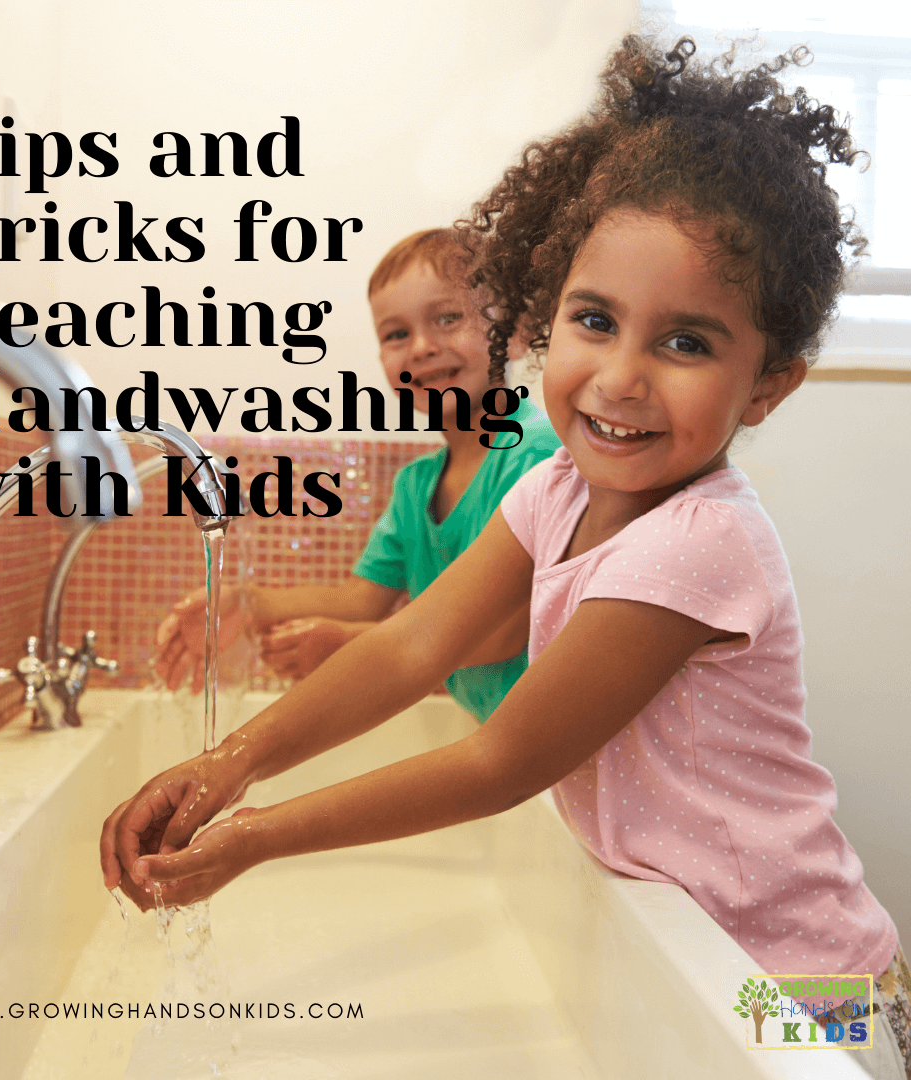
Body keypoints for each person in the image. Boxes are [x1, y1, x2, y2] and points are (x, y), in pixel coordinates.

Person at [104, 37, 910, 1078]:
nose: (620, 377)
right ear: (544, 319)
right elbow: (408, 648)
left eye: (687, 343)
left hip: (811, 991)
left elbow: (502, 759)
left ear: (767, 388)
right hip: (696, 952)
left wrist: (254, 834)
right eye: (594, 320)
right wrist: (227, 763)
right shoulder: (554, 490)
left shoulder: (699, 546)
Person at [154, 228, 562, 722]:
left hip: (554, 740)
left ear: (515, 333)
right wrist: (246, 604)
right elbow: (361, 598)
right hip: (502, 739)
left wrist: (351, 645)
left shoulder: (537, 456)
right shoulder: (416, 486)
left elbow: (503, 629)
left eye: (448, 318)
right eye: (396, 334)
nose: (421, 348)